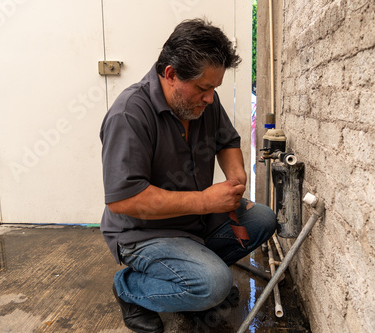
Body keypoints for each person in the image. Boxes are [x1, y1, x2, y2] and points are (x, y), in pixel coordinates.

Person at [99, 18, 276, 333]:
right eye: (203, 88)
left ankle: (192, 280)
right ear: (170, 75)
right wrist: (206, 201)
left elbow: (227, 141)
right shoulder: (130, 114)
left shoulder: (204, 102)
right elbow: (124, 200)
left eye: (214, 89)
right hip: (143, 234)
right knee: (213, 286)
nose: (209, 98)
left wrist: (236, 179)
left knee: (262, 220)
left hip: (194, 222)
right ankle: (131, 289)